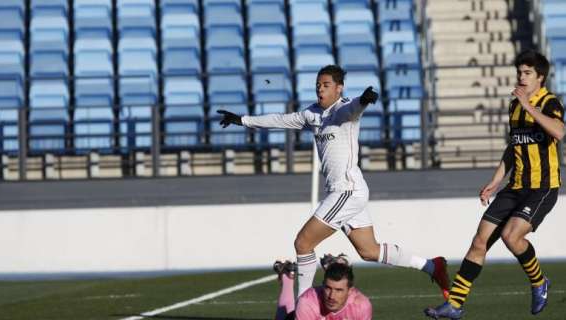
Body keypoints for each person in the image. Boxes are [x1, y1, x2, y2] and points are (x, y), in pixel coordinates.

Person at [217, 65, 449, 299]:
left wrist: (365, 99)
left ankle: (304, 309)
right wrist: (242, 119)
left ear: (339, 88)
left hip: (346, 191)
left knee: (303, 243)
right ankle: (433, 267)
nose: (320, 89)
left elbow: (355, 106)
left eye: (326, 85)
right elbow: (280, 119)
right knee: (369, 251)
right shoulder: (312, 114)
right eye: (318, 85)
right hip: (347, 192)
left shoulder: (344, 111)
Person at [424, 50, 564, 319]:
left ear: (540, 77)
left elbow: (559, 131)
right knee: (479, 241)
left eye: (527, 73)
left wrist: (529, 107)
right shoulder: (514, 106)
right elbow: (514, 147)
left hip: (542, 188)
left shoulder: (549, 102)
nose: (521, 77)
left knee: (512, 237)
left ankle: (539, 282)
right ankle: (455, 304)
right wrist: (496, 180)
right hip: (515, 187)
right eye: (519, 72)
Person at [273, 254, 372, 320]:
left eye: (339, 290)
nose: (332, 296)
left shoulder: (361, 306)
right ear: (323, 284)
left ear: (350, 291)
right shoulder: (307, 302)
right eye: (328, 288)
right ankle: (287, 278)